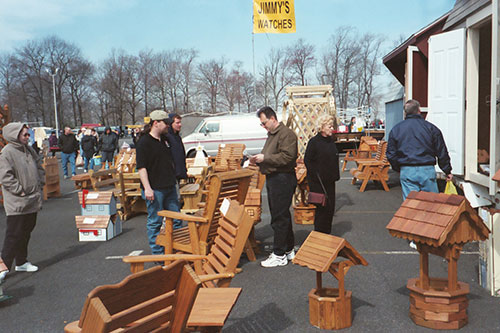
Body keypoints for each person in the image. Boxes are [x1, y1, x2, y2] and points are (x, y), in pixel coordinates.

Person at [250, 106, 298, 268]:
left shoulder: (286, 134)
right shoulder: (273, 134)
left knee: (279, 217)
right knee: (282, 215)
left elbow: (288, 157)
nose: (263, 126)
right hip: (275, 178)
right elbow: (274, 155)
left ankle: (279, 254)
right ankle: (289, 249)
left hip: (282, 178)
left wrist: (265, 158)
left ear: (272, 119)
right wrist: (259, 159)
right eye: (261, 124)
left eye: (264, 123)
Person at [0, 123, 45, 283]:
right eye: (24, 134)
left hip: (32, 199)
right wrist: (20, 190)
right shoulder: (7, 153)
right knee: (13, 234)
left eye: (28, 134)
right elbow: (5, 176)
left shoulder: (29, 149)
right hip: (18, 201)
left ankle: (21, 261)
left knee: (27, 230)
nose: (28, 137)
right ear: (15, 135)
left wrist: (41, 182)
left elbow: (39, 166)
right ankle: (3, 267)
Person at [387, 99, 453, 201]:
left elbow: (391, 153)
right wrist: (447, 170)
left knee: (411, 205)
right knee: (430, 203)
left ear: (405, 112)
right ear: (419, 110)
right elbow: (441, 151)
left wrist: (398, 168)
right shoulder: (431, 128)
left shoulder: (396, 129)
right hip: (427, 169)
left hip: (407, 169)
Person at [136, 110, 181, 255]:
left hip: (169, 186)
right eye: (166, 123)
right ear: (156, 123)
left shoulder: (165, 140)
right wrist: (147, 189)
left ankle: (177, 248)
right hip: (155, 189)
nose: (168, 126)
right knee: (155, 221)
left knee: (177, 219)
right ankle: (158, 253)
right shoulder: (144, 143)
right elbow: (141, 168)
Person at [304, 115, 340, 235]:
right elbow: (307, 161)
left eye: (332, 126)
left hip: (330, 182)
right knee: (321, 212)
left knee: (330, 210)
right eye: (329, 126)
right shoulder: (314, 142)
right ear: (322, 127)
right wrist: (316, 176)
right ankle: (319, 236)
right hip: (318, 183)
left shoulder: (330, 141)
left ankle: (327, 235)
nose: (332, 128)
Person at [166, 113, 188, 181]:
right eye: (177, 123)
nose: (180, 125)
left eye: (180, 122)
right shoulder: (167, 137)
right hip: (172, 174)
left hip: (179, 173)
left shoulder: (177, 137)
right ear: (171, 124)